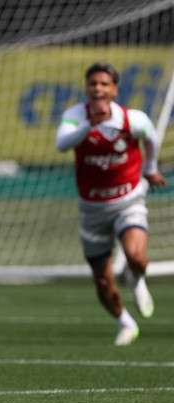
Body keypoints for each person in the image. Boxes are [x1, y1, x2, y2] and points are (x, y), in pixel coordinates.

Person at [56, 62, 166, 346]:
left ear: (115, 89)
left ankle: (137, 278)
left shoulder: (132, 120)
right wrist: (88, 126)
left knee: (136, 256)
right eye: (93, 83)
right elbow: (62, 144)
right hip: (91, 209)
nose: (98, 89)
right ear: (86, 88)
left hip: (128, 201)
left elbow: (151, 136)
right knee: (103, 283)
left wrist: (151, 168)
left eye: (105, 84)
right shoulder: (75, 116)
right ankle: (125, 322)